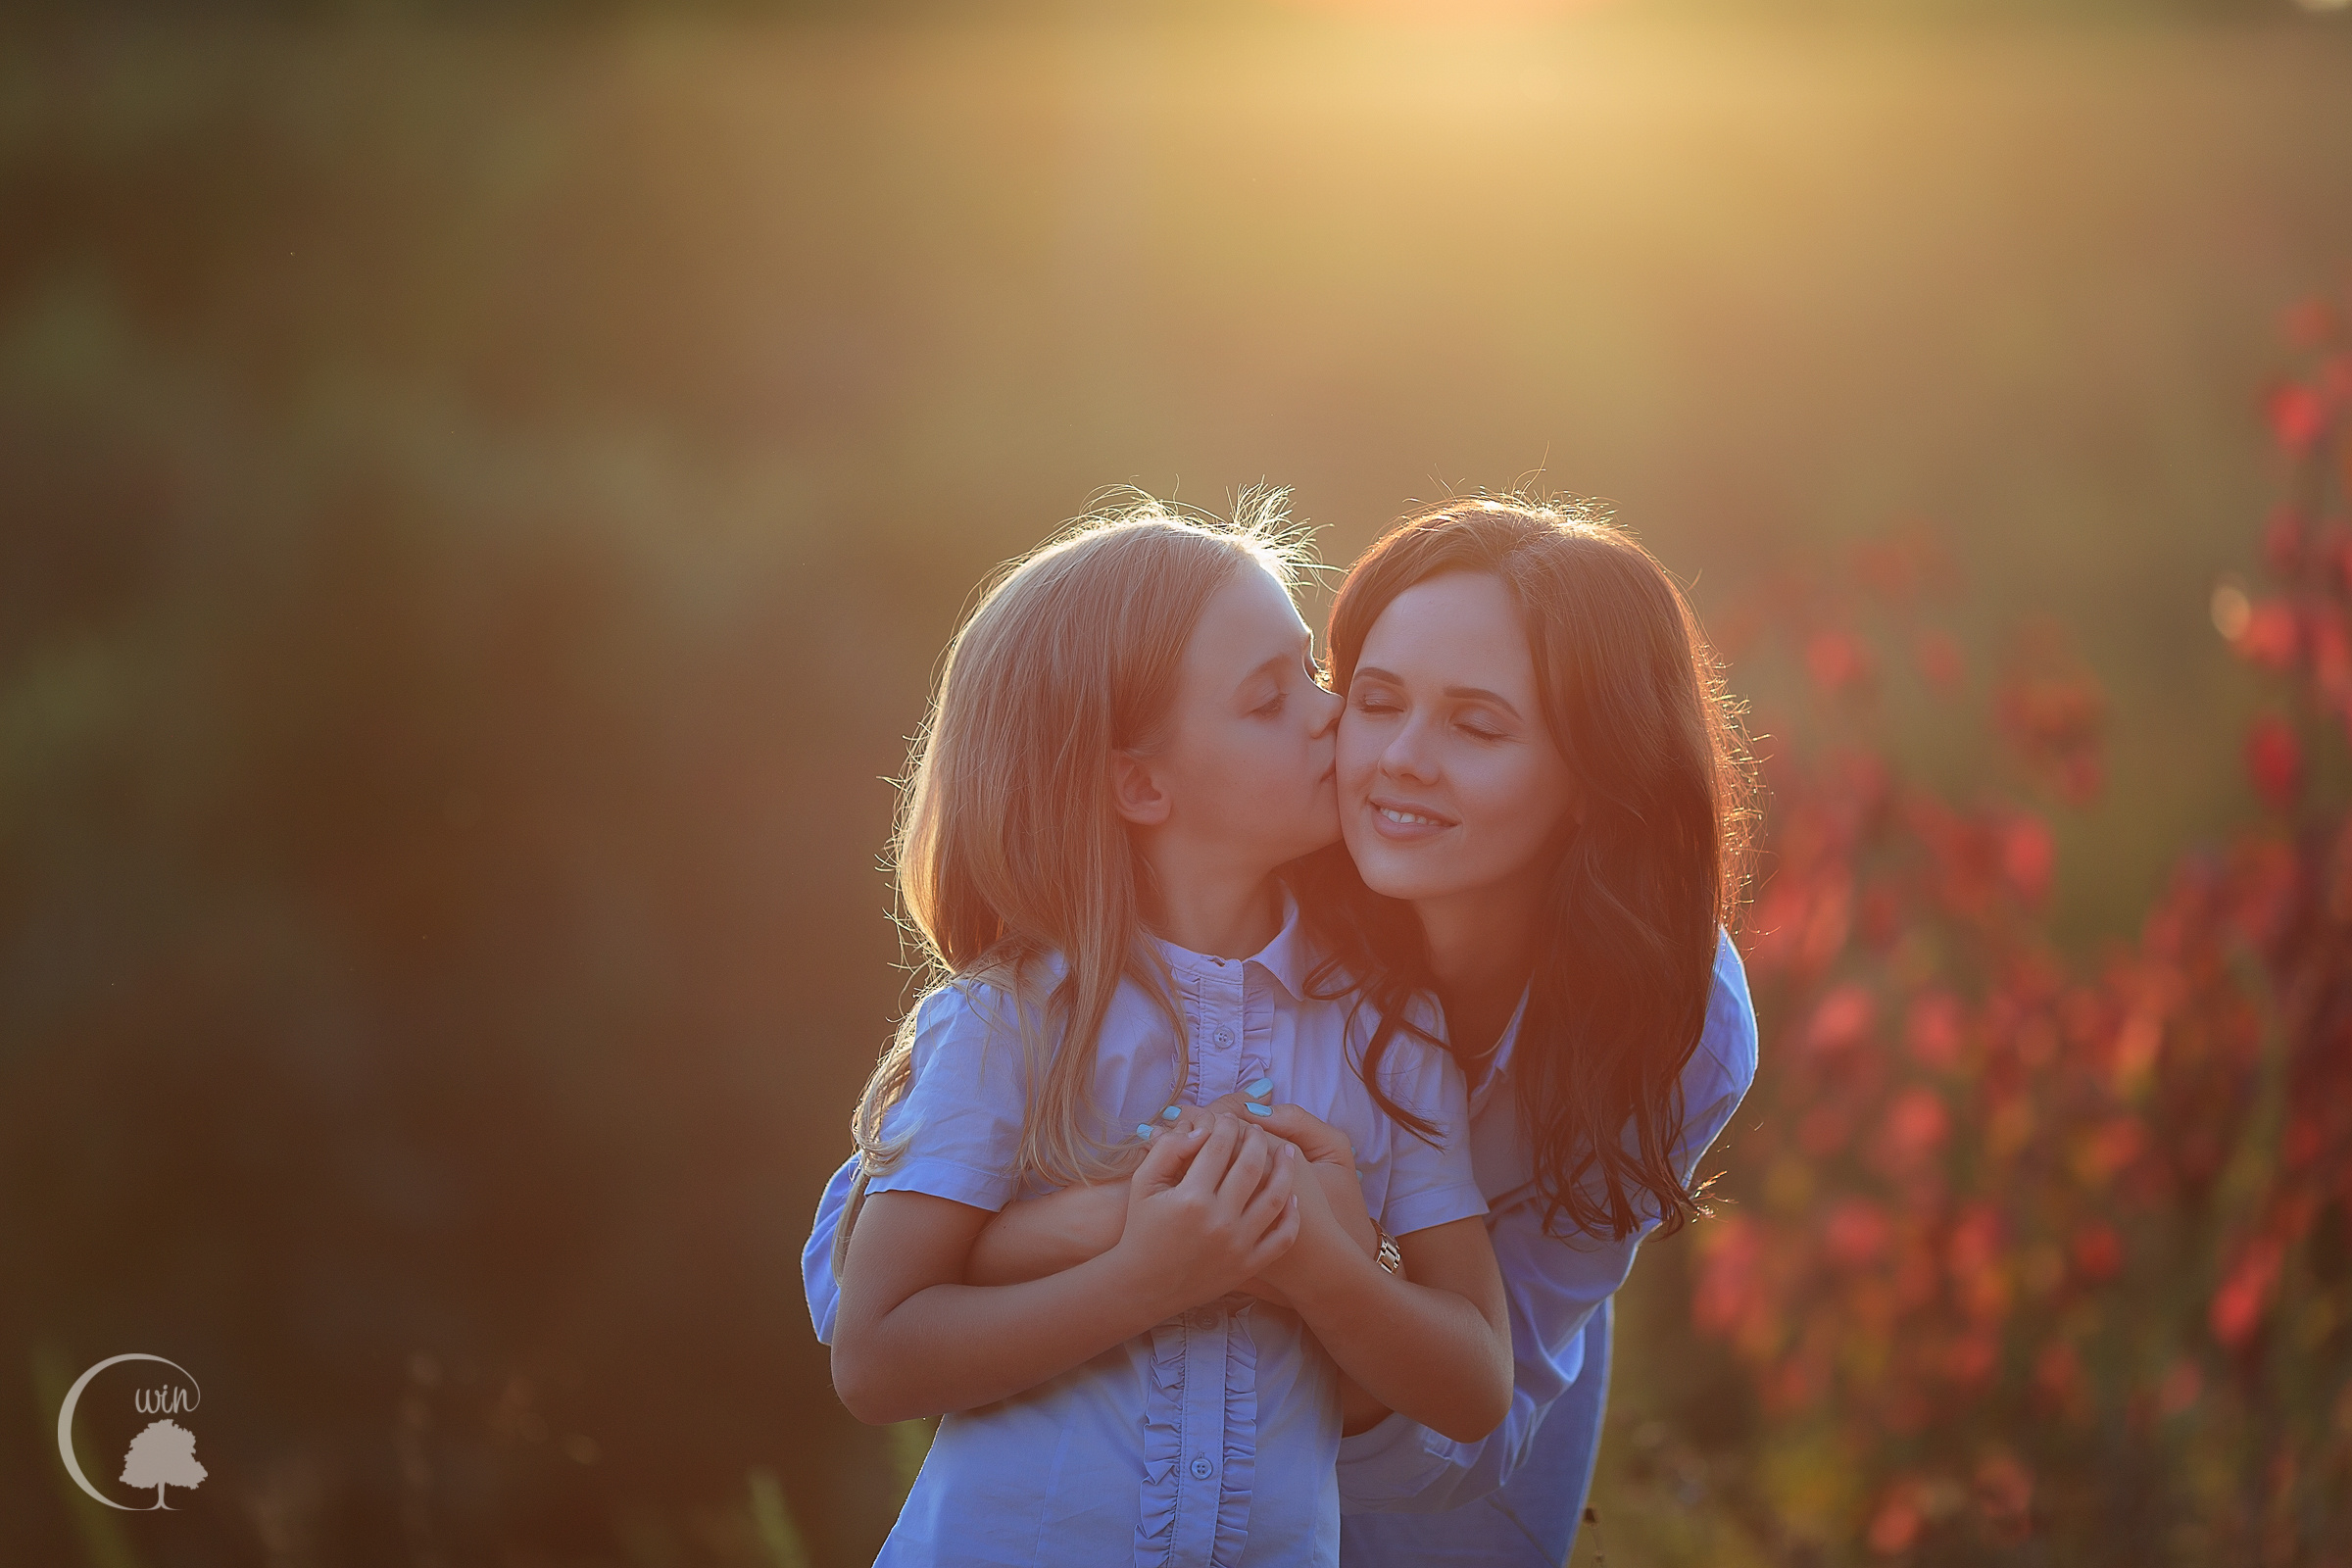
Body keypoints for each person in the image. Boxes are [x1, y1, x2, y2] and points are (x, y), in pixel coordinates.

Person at [808, 494, 1757, 1564]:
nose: (1386, 752)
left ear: (1596, 775)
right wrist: (1128, 1231)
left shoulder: (1653, 1020)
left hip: (1419, 1507)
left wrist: (1309, 1258)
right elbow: (867, 1287)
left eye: (1479, 724)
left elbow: (1486, 1392)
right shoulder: (1126, 945)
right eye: (1370, 695)